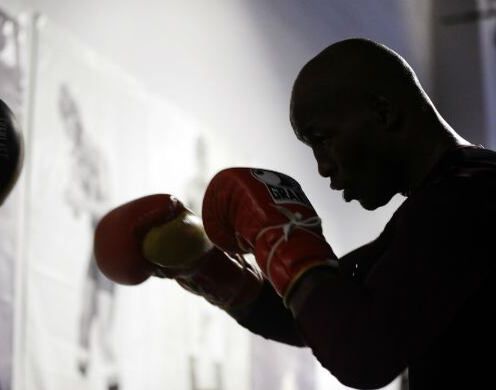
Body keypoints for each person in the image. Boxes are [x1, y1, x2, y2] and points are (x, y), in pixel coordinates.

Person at [95, 38, 496, 390]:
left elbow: (362, 353)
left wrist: (281, 234)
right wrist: (207, 269)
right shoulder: (449, 198)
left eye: (323, 139)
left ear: (383, 111)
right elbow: (322, 319)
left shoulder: (472, 196)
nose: (322, 167)